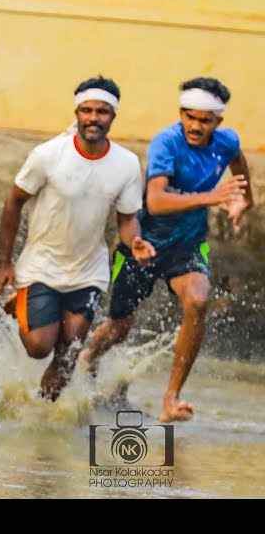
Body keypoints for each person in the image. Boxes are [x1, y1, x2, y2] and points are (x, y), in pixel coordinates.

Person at [79, 78, 253, 422]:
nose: (195, 126)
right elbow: (156, 201)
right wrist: (213, 198)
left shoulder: (228, 142)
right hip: (142, 243)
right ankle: (87, 357)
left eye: (205, 120)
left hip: (187, 246)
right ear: (181, 114)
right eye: (189, 117)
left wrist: (242, 203)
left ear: (218, 122)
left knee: (199, 301)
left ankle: (171, 398)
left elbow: (241, 174)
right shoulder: (166, 143)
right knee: (119, 327)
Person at [0, 78, 151, 401]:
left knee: (68, 353)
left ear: (113, 116)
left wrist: (136, 243)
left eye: (101, 111)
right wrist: (4, 262)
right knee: (39, 346)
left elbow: (127, 218)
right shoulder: (48, 155)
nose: (93, 117)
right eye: (86, 110)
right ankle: (23, 304)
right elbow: (13, 200)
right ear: (76, 112)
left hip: (88, 272)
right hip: (41, 266)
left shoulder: (127, 163)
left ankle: (43, 425)